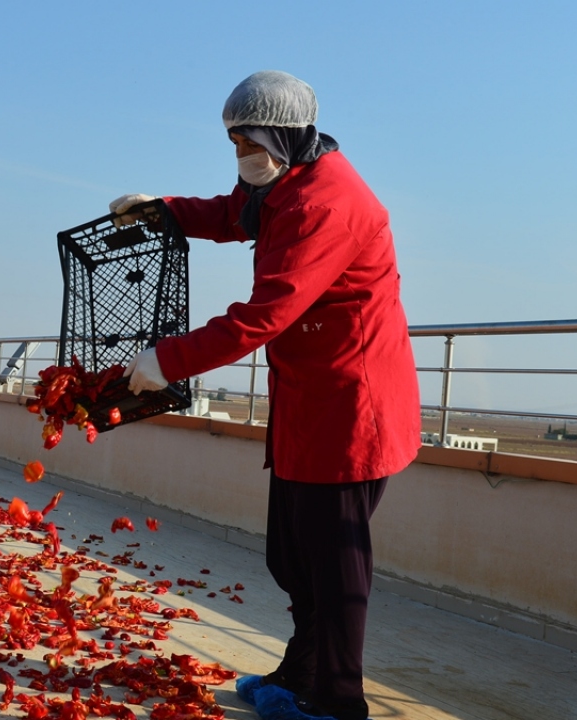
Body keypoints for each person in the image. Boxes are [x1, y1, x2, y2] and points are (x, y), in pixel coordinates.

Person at [114, 71, 420, 720]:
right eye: (233, 143)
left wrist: (166, 359)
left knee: (335, 567)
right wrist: (165, 209)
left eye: (246, 141)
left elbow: (265, 316)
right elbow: (234, 214)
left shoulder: (325, 203)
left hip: (351, 403)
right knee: (292, 554)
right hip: (307, 398)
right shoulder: (282, 181)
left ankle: (338, 701)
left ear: (283, 135)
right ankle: (300, 672)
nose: (240, 156)